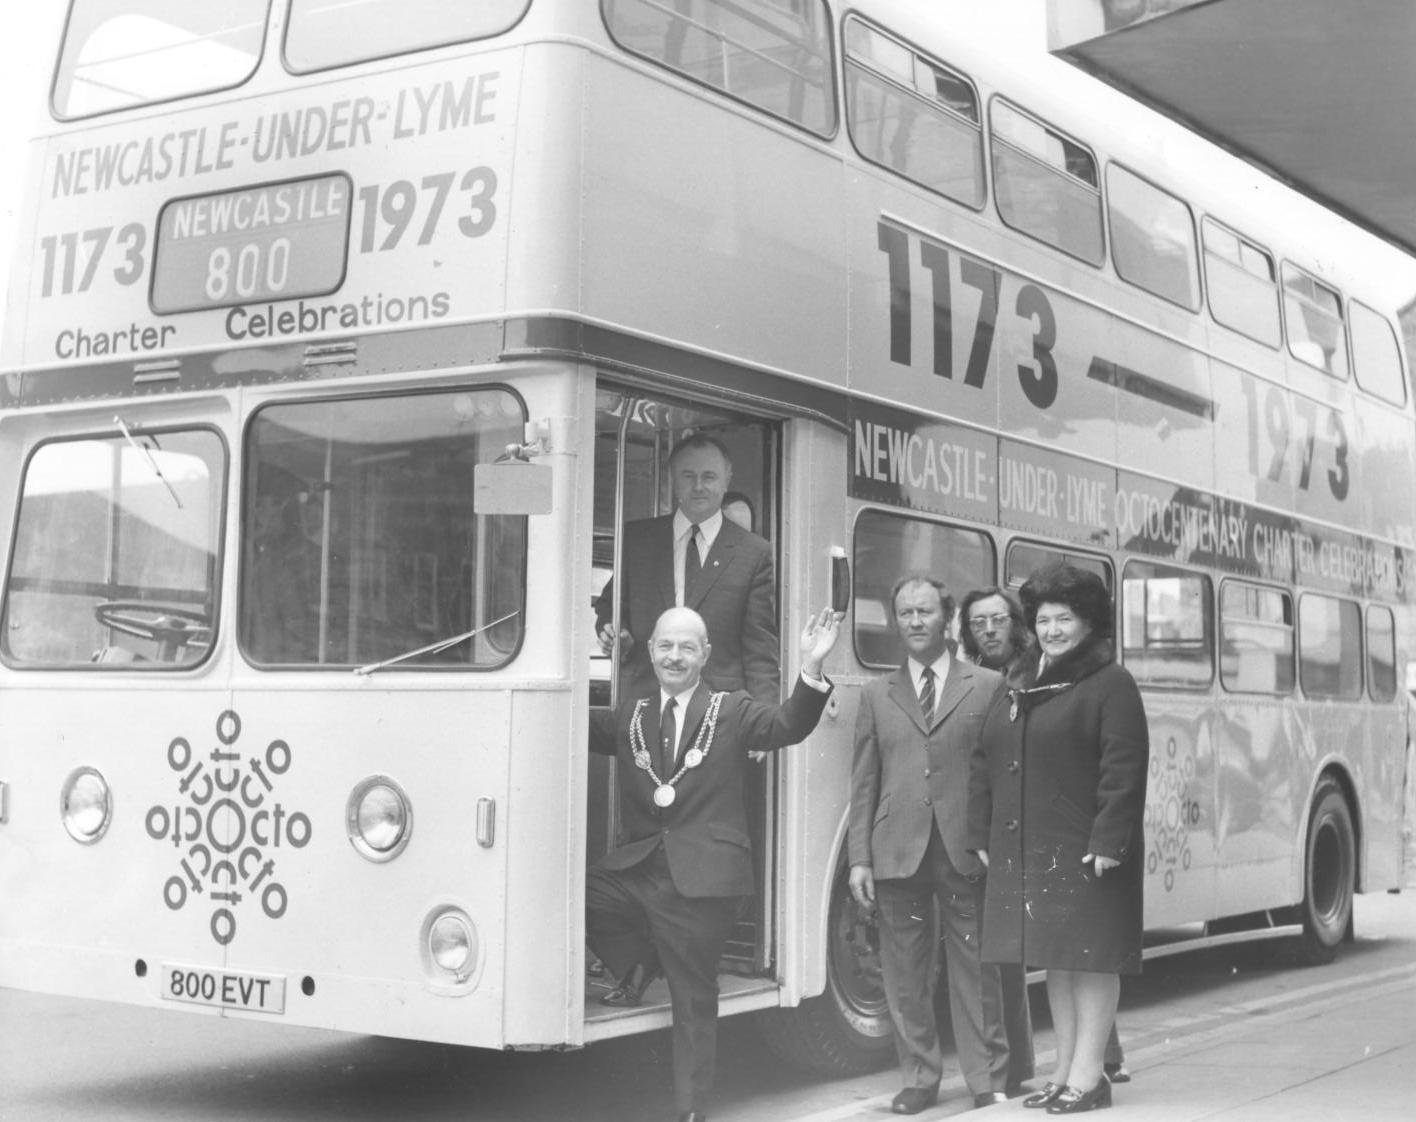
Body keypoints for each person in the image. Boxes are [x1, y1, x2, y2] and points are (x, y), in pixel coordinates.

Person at [587, 604, 840, 1122]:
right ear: (651, 651)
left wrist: (811, 668)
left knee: (692, 999)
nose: (674, 657)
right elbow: (574, 724)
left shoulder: (734, 708)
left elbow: (788, 724)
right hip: (641, 868)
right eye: (664, 646)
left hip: (704, 879)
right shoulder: (632, 714)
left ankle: (692, 1110)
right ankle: (641, 957)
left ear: (705, 655)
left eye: (686, 647)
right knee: (573, 896)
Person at [968, 563, 1149, 1114]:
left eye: (1064, 619)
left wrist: (1109, 841)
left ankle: (1090, 1077)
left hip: (1089, 850)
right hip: (1036, 850)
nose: (1052, 630)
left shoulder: (1110, 683)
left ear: (1089, 624)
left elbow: (1125, 769)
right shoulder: (1022, 681)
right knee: (1059, 962)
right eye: (1044, 620)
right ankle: (1064, 1071)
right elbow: (985, 758)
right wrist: (982, 831)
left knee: (1091, 962)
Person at [848, 574, 1013, 1114]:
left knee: (976, 969)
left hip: (965, 848)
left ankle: (987, 1078)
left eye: (924, 612)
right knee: (904, 974)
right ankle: (919, 1078)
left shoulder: (987, 685)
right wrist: (859, 860)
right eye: (904, 614)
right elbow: (864, 783)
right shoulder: (876, 693)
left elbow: (1002, 774)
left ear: (946, 618)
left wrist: (994, 842)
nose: (915, 622)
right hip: (898, 850)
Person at [595, 435, 779, 703]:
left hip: (719, 713)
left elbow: (760, 653)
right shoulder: (637, 540)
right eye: (688, 476)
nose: (699, 486)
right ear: (673, 479)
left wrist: (763, 725)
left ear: (727, 479)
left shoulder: (754, 553)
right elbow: (609, 608)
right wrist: (616, 633)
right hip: (643, 706)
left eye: (709, 477)